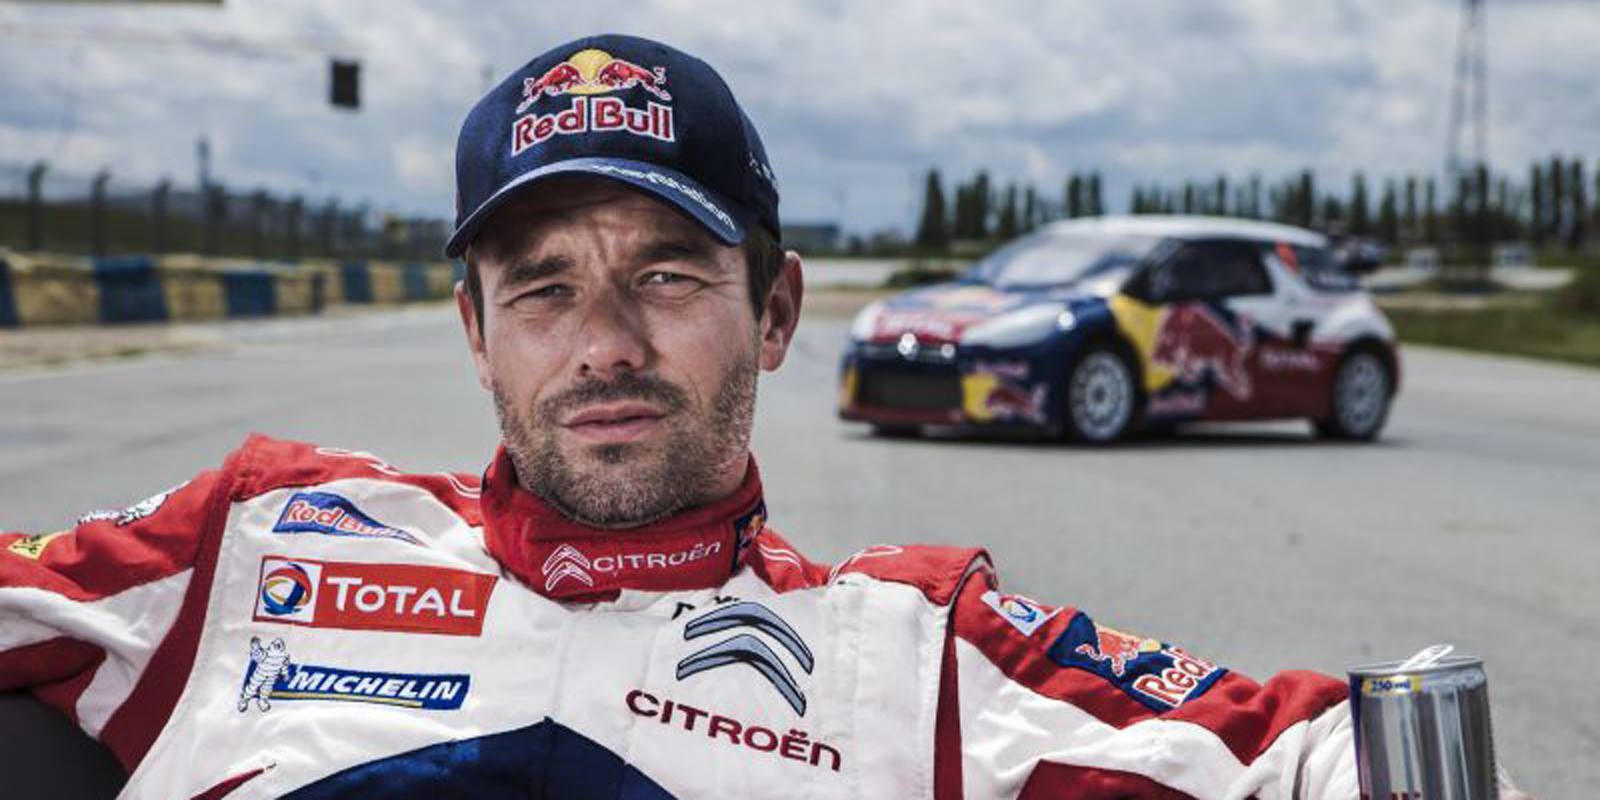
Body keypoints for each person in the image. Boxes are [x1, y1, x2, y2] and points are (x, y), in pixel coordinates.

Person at [0, 34, 1526, 800]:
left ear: (776, 312)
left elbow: (1321, 757)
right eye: (543, 289)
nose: (604, 343)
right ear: (476, 334)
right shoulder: (260, 541)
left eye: (666, 275)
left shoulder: (913, 652)